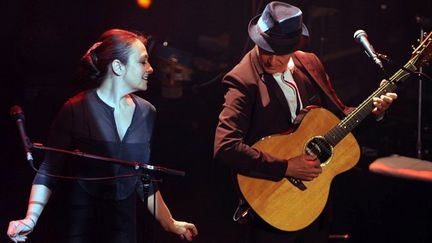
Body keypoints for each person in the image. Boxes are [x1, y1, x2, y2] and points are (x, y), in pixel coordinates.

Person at [213, 1, 397, 242]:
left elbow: (339, 118)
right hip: (271, 202)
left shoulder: (309, 63)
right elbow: (225, 147)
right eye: (265, 48)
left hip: (312, 201)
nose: (269, 59)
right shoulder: (241, 80)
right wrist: (286, 166)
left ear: (294, 45)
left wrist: (375, 112)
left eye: (279, 52)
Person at [7, 28, 198, 243]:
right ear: (118, 66)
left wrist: (170, 222)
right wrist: (30, 219)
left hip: (124, 232)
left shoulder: (147, 112)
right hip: (81, 229)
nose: (151, 68)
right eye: (142, 61)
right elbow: (49, 169)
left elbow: (143, 177)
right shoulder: (76, 108)